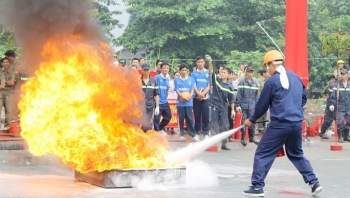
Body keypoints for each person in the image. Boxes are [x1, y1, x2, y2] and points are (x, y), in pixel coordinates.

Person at [242, 50, 322, 197]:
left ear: (273, 64)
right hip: (296, 123)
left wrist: (251, 119)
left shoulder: (271, 82)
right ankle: (314, 182)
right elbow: (303, 99)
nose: (267, 70)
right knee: (296, 154)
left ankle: (257, 186)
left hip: (279, 125)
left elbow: (262, 105)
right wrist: (293, 106)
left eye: (267, 66)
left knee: (262, 153)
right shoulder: (296, 78)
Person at [209, 65, 235, 150]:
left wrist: (232, 110)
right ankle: (214, 143)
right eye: (222, 72)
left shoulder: (230, 87)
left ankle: (224, 144)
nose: (223, 74)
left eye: (225, 72)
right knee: (214, 124)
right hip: (215, 105)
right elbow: (211, 72)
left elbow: (231, 100)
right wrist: (210, 63)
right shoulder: (216, 80)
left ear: (228, 75)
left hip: (224, 107)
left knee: (225, 125)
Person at [235, 66, 260, 146]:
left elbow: (257, 96)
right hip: (243, 105)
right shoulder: (242, 82)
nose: (250, 73)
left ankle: (252, 137)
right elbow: (239, 94)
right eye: (249, 72)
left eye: (252, 72)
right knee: (244, 122)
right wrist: (237, 105)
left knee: (252, 121)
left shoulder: (255, 83)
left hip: (252, 106)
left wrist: (257, 105)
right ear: (246, 73)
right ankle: (243, 138)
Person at [174, 63, 196, 140]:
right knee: (181, 118)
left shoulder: (191, 79)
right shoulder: (177, 80)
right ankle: (181, 133)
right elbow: (177, 90)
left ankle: (192, 134)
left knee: (190, 118)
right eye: (182, 70)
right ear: (180, 71)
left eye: (185, 70)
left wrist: (190, 96)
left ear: (187, 71)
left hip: (188, 103)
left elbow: (192, 89)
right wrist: (182, 96)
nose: (184, 71)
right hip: (180, 103)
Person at [191, 56, 210, 141]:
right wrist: (198, 93)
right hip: (196, 98)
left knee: (206, 115)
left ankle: (206, 132)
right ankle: (197, 132)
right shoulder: (193, 73)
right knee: (197, 115)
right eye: (198, 62)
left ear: (204, 63)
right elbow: (193, 85)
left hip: (205, 98)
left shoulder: (208, 73)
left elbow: (209, 85)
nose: (200, 64)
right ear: (196, 63)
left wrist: (203, 93)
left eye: (201, 62)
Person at [329, 69, 350, 142]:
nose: (342, 75)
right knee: (339, 122)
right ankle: (340, 137)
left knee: (349, 121)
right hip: (340, 107)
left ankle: (346, 136)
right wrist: (332, 104)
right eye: (341, 74)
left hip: (348, 106)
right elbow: (333, 96)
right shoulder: (337, 85)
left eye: (344, 74)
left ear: (347, 75)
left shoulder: (349, 85)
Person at [140, 63, 159, 132]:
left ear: (150, 70)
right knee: (138, 124)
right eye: (144, 70)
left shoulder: (154, 81)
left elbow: (156, 94)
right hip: (140, 107)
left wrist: (157, 106)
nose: (146, 71)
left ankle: (146, 138)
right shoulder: (138, 81)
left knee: (147, 125)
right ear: (142, 70)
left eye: (147, 70)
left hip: (150, 106)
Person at [153, 63, 172, 135]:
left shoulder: (167, 79)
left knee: (168, 117)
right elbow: (154, 89)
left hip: (165, 102)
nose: (166, 69)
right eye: (164, 68)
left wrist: (165, 97)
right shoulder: (157, 77)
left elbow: (167, 90)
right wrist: (155, 99)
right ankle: (156, 132)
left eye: (167, 68)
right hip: (158, 102)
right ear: (161, 69)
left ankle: (160, 128)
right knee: (156, 118)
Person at [319, 75, 336, 139]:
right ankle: (323, 132)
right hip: (330, 104)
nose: (332, 80)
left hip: (339, 105)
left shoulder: (339, 86)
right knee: (328, 120)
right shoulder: (328, 87)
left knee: (340, 121)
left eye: (333, 79)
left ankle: (341, 134)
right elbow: (324, 93)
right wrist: (326, 99)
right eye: (331, 79)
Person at [1, 57, 15, 129]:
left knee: (8, 110)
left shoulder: (12, 72)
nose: (5, 63)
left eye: (7, 62)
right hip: (0, 93)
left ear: (9, 63)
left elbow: (12, 83)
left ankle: (7, 126)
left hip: (8, 93)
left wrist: (3, 83)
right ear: (2, 63)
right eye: (4, 62)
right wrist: (6, 83)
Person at [256, 68, 269, 133]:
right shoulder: (258, 81)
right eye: (267, 72)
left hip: (266, 99)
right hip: (260, 99)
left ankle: (264, 126)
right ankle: (260, 128)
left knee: (265, 114)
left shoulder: (268, 80)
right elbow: (257, 90)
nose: (268, 73)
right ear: (263, 73)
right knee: (260, 114)